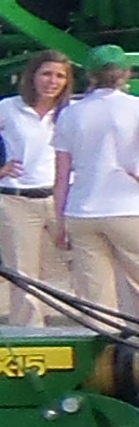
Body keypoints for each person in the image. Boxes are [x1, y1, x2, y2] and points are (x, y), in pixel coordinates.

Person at [0, 50, 76, 318]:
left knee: (84, 262)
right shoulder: (9, 108)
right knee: (22, 273)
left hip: (60, 198)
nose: (52, 81)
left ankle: (98, 328)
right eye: (46, 74)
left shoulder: (72, 112)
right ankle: (28, 333)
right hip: (17, 199)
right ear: (33, 76)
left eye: (60, 76)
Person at [52, 51, 139, 322]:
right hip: (127, 208)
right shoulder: (135, 107)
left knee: (97, 294)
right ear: (125, 74)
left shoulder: (71, 113)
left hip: (81, 210)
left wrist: (60, 221)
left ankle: (106, 352)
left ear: (89, 76)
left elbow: (62, 174)